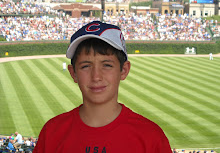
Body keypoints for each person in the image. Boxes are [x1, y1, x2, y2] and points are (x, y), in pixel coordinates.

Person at [33, 21, 172, 152]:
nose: (96, 76)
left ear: (124, 70)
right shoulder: (51, 133)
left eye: (107, 65)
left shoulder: (151, 137)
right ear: (73, 73)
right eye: (86, 66)